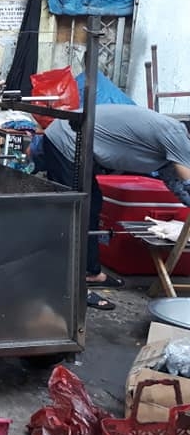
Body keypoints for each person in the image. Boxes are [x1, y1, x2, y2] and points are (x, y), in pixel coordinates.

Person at [42, 103, 190, 311]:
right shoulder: (178, 135)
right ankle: (71, 287)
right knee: (73, 214)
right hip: (68, 137)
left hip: (79, 141)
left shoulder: (173, 142)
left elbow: (176, 184)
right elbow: (188, 182)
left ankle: (91, 272)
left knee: (91, 207)